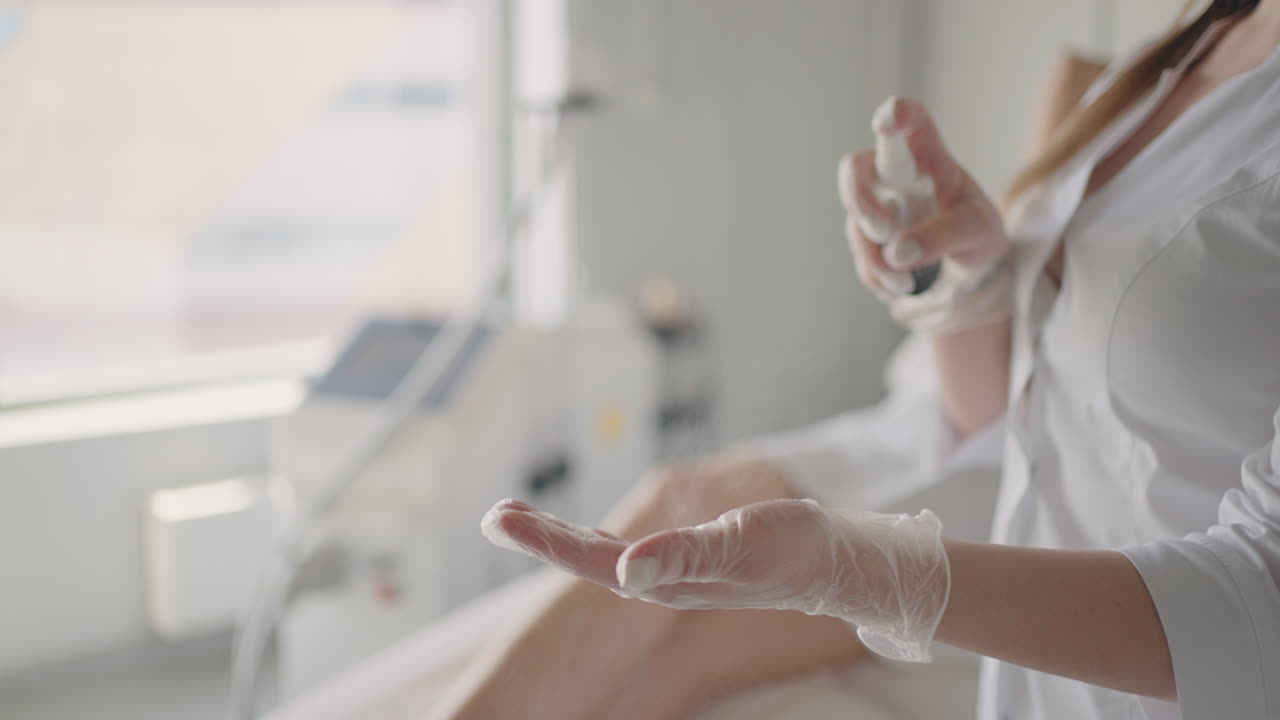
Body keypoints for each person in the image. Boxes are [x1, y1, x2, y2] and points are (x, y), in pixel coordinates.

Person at [469, 0, 1280, 717]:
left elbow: (1262, 610)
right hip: (1030, 669)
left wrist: (859, 572)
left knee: (688, 594)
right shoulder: (1193, 46)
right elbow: (1003, 417)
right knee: (670, 607)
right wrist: (962, 279)